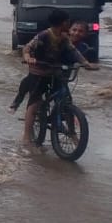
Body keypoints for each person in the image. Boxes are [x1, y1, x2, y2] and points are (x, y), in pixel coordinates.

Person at [15, 9, 98, 144]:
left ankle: (71, 132)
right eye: (72, 27)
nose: (76, 33)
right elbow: (27, 48)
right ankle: (26, 135)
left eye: (80, 31)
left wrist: (86, 63)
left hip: (58, 74)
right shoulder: (44, 35)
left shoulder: (67, 40)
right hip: (41, 73)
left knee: (66, 100)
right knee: (34, 103)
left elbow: (74, 51)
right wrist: (28, 57)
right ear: (65, 24)